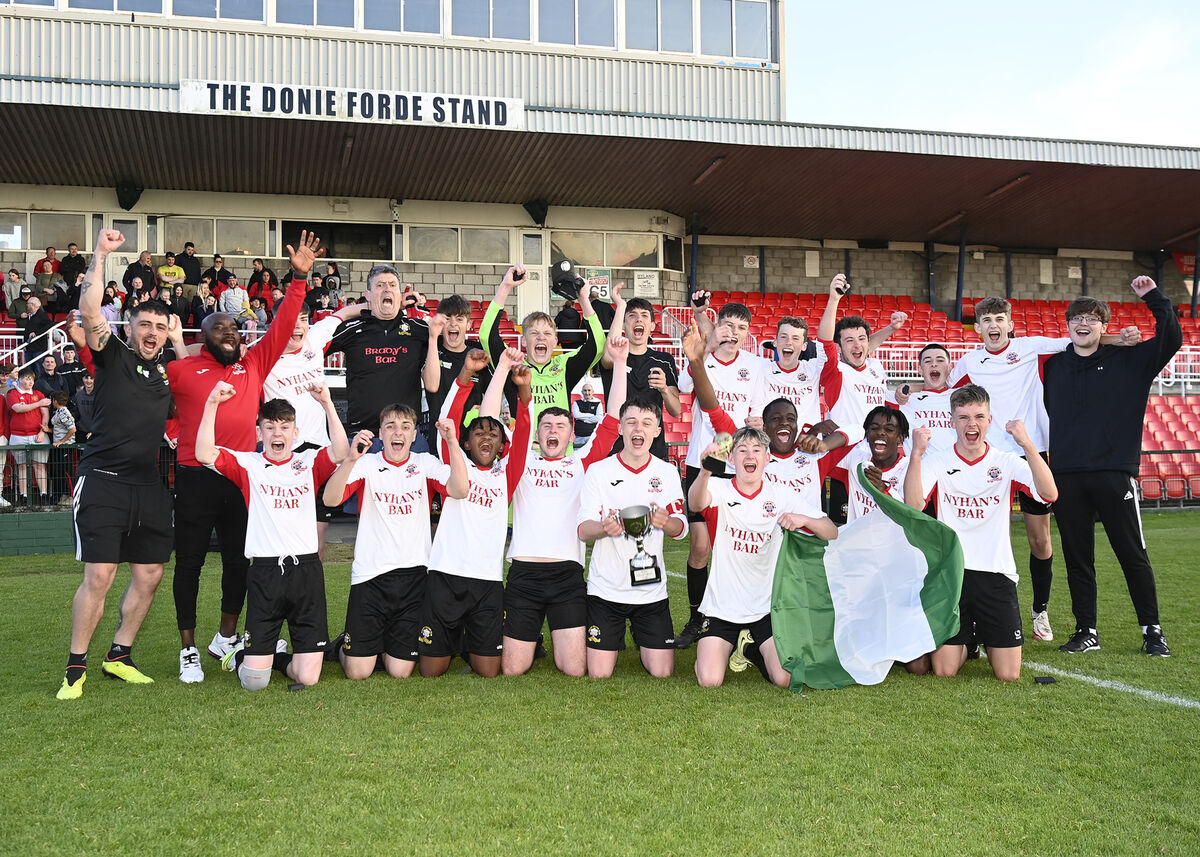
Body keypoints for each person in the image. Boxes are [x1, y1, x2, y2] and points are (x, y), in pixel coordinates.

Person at [167, 232, 322, 684]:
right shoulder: (181, 369)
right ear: (204, 337)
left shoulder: (252, 364)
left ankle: (226, 636)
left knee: (239, 561)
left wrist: (298, 279)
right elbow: (160, 410)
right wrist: (179, 436)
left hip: (241, 475)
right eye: (220, 329)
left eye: (234, 329)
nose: (230, 334)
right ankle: (189, 648)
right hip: (196, 475)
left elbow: (282, 325)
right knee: (190, 563)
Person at [949, 297, 1137, 643]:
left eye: (999, 319)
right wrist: (906, 394)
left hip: (1033, 452)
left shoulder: (1031, 348)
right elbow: (940, 393)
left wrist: (1119, 340)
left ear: (1010, 324)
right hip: (989, 458)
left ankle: (1040, 611)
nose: (993, 325)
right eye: (987, 319)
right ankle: (976, 616)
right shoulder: (966, 363)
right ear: (977, 328)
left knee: (1040, 540)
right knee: (990, 538)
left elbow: (1080, 339)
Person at [56, 227, 181, 700]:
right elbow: (89, 311)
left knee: (149, 574)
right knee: (101, 576)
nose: (151, 333)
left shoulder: (165, 371)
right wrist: (100, 256)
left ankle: (120, 656)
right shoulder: (111, 356)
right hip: (103, 480)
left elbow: (189, 372)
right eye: (144, 325)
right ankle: (75, 667)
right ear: (129, 327)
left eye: (159, 327)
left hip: (147, 485)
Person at [1043, 277, 1182, 656]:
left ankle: (1152, 631)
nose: (1082, 324)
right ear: (1067, 325)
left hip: (1114, 473)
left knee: (1132, 553)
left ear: (1104, 327)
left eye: (1091, 318)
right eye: (1076, 318)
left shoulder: (1132, 361)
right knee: (1077, 558)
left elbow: (1171, 338)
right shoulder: (1053, 366)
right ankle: (1086, 630)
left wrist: (1153, 298)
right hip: (1066, 476)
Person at [199, 383, 348, 690]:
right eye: (269, 427)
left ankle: (277, 657)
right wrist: (212, 401)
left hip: (306, 573)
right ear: (259, 432)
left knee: (308, 678)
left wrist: (327, 402)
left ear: (295, 432)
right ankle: (248, 655)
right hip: (266, 573)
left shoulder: (308, 463)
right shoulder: (249, 465)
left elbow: (342, 452)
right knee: (254, 683)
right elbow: (202, 453)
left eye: (284, 427)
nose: (277, 434)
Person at [904, 384, 1059, 681]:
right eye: (963, 417)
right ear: (951, 421)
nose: (971, 424)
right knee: (944, 671)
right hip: (954, 575)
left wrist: (1027, 444)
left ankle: (982, 633)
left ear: (990, 420)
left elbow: (1049, 493)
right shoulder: (938, 461)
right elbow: (913, 505)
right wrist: (916, 455)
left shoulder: (1006, 461)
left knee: (1008, 675)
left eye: (978, 416)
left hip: (996, 574)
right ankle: (970, 640)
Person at [503, 335, 629, 677]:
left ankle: (545, 639)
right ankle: (531, 640)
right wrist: (525, 392)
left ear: (572, 434)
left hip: (567, 576)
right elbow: (523, 420)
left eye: (560, 426)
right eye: (547, 426)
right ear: (538, 434)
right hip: (524, 574)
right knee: (514, 669)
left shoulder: (583, 463)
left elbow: (614, 420)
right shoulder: (522, 460)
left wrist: (618, 363)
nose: (552, 431)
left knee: (574, 669)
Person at [321, 410, 468, 679]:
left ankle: (379, 643)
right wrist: (352, 459)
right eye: (390, 426)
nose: (397, 432)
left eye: (405, 427)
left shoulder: (425, 463)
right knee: (357, 673)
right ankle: (347, 645)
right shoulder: (366, 464)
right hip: (370, 575)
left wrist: (452, 443)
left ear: (414, 435)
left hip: (413, 576)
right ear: (380, 434)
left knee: (400, 672)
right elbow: (330, 499)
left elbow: (460, 489)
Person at [690, 426, 838, 688]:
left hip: (767, 607)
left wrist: (803, 519)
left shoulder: (780, 494)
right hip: (722, 606)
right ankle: (728, 643)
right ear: (731, 458)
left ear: (767, 458)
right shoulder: (720, 488)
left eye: (757, 450)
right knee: (709, 680)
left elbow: (831, 531)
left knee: (784, 679)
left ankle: (749, 648)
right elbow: (696, 504)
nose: (750, 455)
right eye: (742, 450)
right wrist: (704, 471)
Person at [418, 347, 532, 679]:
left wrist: (523, 390)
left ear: (501, 445)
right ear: (466, 443)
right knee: (431, 672)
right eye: (478, 432)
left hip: (487, 582)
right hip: (445, 577)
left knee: (488, 671)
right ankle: (450, 640)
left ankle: (469, 641)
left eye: (493, 434)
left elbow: (524, 430)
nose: (486, 436)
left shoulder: (507, 475)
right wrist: (466, 375)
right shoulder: (453, 463)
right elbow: (450, 419)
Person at [674, 293, 768, 648]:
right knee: (700, 548)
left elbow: (755, 413)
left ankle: (739, 619)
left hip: (738, 471)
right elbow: (684, 387)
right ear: (719, 324)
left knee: (734, 548)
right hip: (701, 465)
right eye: (729, 324)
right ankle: (696, 618)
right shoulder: (704, 359)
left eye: (742, 328)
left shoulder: (755, 366)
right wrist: (706, 344)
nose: (735, 332)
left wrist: (752, 427)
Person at [577, 395, 686, 678]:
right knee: (599, 674)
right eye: (632, 422)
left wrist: (667, 522)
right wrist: (603, 528)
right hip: (606, 590)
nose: (639, 429)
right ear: (621, 429)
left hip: (650, 593)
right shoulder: (598, 472)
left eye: (647, 423)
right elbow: (583, 530)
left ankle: (643, 638)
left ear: (657, 431)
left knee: (662, 672)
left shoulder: (667, 472)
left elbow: (681, 528)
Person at [263, 300, 365, 556]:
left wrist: (378, 303)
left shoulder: (315, 338)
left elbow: (343, 313)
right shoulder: (261, 353)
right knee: (283, 536)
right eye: (291, 320)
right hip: (284, 455)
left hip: (321, 453)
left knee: (317, 541)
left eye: (304, 319)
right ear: (276, 322)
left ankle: (311, 594)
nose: (299, 327)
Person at [479, 264, 605, 427]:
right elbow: (486, 335)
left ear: (555, 341)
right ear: (523, 341)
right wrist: (506, 286)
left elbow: (598, 345)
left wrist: (583, 299)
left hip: (560, 452)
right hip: (523, 451)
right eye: (534, 333)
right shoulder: (513, 366)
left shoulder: (564, 366)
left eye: (547, 334)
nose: (541, 338)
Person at [327, 265, 431, 439]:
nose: (387, 289)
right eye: (380, 285)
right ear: (368, 295)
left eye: (392, 285)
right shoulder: (350, 329)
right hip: (362, 435)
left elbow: (456, 344)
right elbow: (311, 345)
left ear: (400, 294)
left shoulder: (420, 329)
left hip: (408, 437)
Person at [597, 296, 681, 462]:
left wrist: (664, 389)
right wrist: (621, 306)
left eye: (644, 315)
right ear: (623, 324)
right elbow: (607, 356)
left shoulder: (664, 360)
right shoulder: (616, 355)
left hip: (653, 447)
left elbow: (676, 410)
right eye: (632, 315)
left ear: (652, 326)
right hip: (617, 446)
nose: (638, 319)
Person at [421, 294, 489, 453]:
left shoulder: (477, 353)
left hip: (472, 439)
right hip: (439, 436)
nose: (453, 323)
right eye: (448, 318)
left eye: (459, 319)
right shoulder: (432, 349)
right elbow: (431, 386)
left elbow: (493, 395)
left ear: (469, 324)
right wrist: (432, 337)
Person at [828, 406, 910, 524]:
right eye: (874, 428)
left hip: (892, 542)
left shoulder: (910, 469)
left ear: (900, 437)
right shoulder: (856, 459)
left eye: (889, 429)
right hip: (857, 541)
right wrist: (816, 432)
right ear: (866, 435)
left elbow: (910, 515)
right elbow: (817, 461)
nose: (880, 433)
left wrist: (883, 488)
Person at [892, 343, 956, 455]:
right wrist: (906, 387)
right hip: (919, 469)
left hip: (955, 467)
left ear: (949, 368)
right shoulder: (904, 398)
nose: (934, 364)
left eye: (940, 360)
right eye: (928, 361)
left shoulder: (961, 397)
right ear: (920, 370)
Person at [6, 367, 51, 505]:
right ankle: (23, 496)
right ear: (20, 380)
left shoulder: (39, 393)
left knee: (40, 465)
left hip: (38, 435)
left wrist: (42, 432)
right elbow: (18, 409)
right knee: (22, 466)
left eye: (31, 379)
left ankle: (43, 495)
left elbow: (45, 414)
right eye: (26, 379)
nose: (30, 382)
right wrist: (38, 403)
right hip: (18, 435)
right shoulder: (12, 393)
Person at [48, 391, 76, 503]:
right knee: (59, 471)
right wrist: (48, 430)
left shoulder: (64, 412)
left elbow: (72, 429)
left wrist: (61, 441)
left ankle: (73, 495)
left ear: (55, 401)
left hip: (66, 446)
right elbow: (60, 429)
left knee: (67, 471)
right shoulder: (58, 412)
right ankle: (64, 495)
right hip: (59, 446)